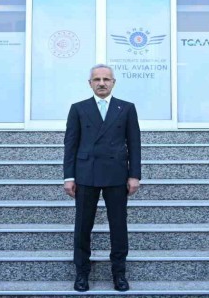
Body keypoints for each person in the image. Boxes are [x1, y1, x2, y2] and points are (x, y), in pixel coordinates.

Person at [63, 63, 142, 292]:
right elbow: (70, 145)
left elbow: (134, 144)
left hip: (117, 174)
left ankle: (119, 273)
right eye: (97, 79)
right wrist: (69, 177)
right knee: (82, 226)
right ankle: (81, 273)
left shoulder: (126, 108)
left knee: (118, 226)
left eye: (106, 79)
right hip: (85, 173)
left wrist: (134, 175)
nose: (101, 83)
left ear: (113, 82)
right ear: (90, 83)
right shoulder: (78, 108)